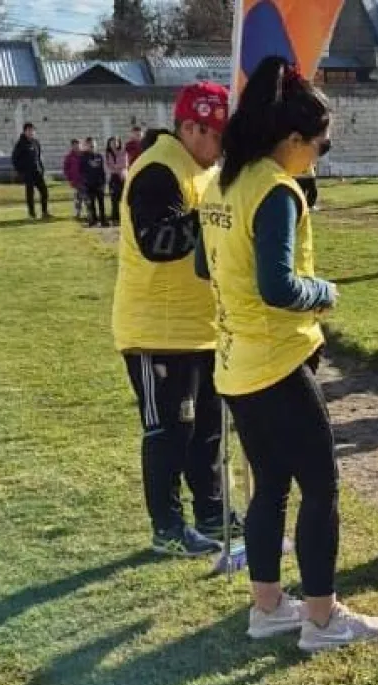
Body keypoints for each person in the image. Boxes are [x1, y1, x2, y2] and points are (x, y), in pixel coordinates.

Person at [197, 56, 378, 650]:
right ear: (291, 140)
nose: (319, 155)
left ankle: (268, 608)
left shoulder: (219, 182)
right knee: (321, 487)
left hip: (233, 363)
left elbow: (203, 263)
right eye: (320, 145)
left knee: (272, 485)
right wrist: (324, 292)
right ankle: (322, 620)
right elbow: (279, 286)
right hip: (277, 361)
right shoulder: (276, 191)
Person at [112, 81, 239, 558]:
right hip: (155, 331)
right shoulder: (158, 171)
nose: (222, 145)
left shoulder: (204, 170)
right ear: (190, 127)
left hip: (202, 328)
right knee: (168, 430)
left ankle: (211, 511)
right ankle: (167, 526)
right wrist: (209, 215)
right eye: (218, 135)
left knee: (207, 427)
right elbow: (158, 243)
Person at [11, 122, 50, 220]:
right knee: (30, 193)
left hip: (37, 171)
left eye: (32, 130)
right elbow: (15, 159)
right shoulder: (20, 144)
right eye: (29, 130)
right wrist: (21, 171)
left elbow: (39, 157)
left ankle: (45, 212)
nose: (31, 132)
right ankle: (32, 214)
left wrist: (42, 168)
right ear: (24, 131)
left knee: (44, 191)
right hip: (27, 173)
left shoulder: (36, 142)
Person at [80, 137, 108, 228]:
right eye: (90, 145)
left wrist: (103, 182)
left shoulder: (99, 156)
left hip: (99, 183)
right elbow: (81, 170)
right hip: (88, 184)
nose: (92, 146)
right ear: (86, 146)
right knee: (91, 204)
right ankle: (93, 221)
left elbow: (101, 170)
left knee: (101, 203)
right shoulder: (83, 157)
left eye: (94, 145)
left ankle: (103, 220)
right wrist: (84, 182)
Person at [105, 136, 129, 224]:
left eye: (116, 142)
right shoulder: (108, 154)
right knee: (114, 200)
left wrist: (116, 166)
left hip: (123, 177)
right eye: (112, 142)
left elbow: (125, 164)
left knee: (124, 199)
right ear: (109, 144)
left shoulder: (123, 152)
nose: (114, 144)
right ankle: (115, 218)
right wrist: (119, 167)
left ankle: (125, 218)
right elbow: (109, 166)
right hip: (114, 178)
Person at [62, 139, 85, 221]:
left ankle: (90, 212)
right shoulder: (69, 157)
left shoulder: (84, 155)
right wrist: (70, 179)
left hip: (85, 180)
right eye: (74, 145)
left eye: (78, 145)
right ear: (72, 146)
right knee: (78, 197)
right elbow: (66, 169)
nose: (76, 147)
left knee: (87, 197)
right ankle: (78, 212)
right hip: (76, 181)